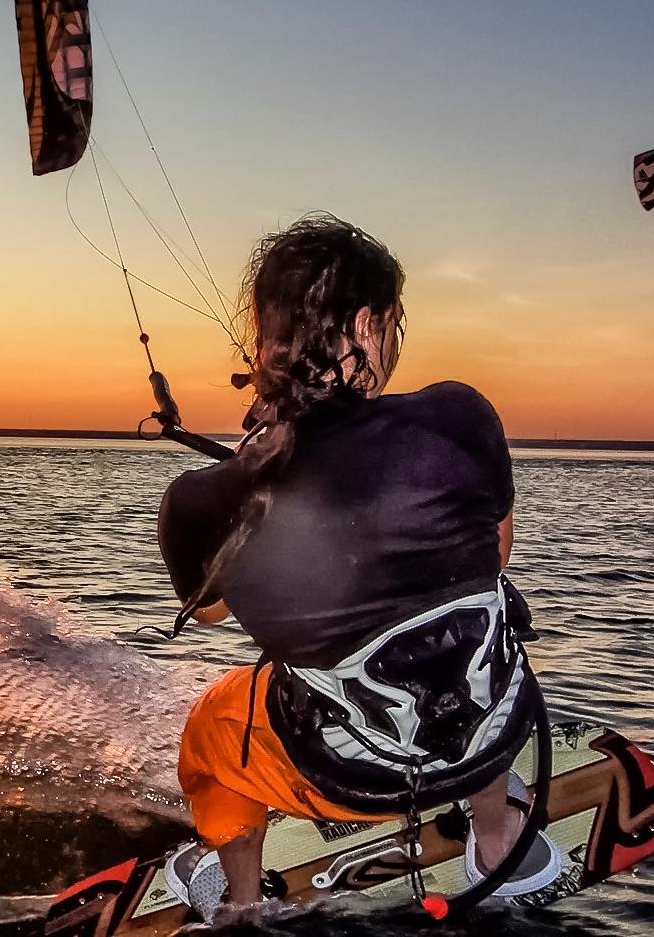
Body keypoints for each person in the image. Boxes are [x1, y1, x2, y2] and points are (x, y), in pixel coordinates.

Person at [156, 215, 561, 918]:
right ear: (369, 327)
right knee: (471, 634)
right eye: (396, 324)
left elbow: (215, 611)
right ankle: (495, 841)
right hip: (492, 725)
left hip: (343, 771)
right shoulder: (462, 417)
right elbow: (495, 555)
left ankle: (242, 905)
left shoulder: (201, 501)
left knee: (212, 725)